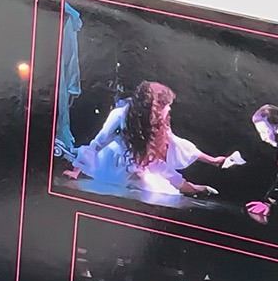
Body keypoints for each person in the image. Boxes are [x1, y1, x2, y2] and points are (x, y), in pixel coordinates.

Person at [68, 81, 227, 198]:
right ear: (155, 106)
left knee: (160, 180)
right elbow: (98, 143)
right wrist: (76, 171)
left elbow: (178, 147)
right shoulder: (121, 114)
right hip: (115, 162)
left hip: (142, 162)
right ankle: (189, 187)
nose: (169, 108)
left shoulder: (161, 125)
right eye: (165, 105)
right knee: (146, 178)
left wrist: (212, 160)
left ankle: (191, 188)